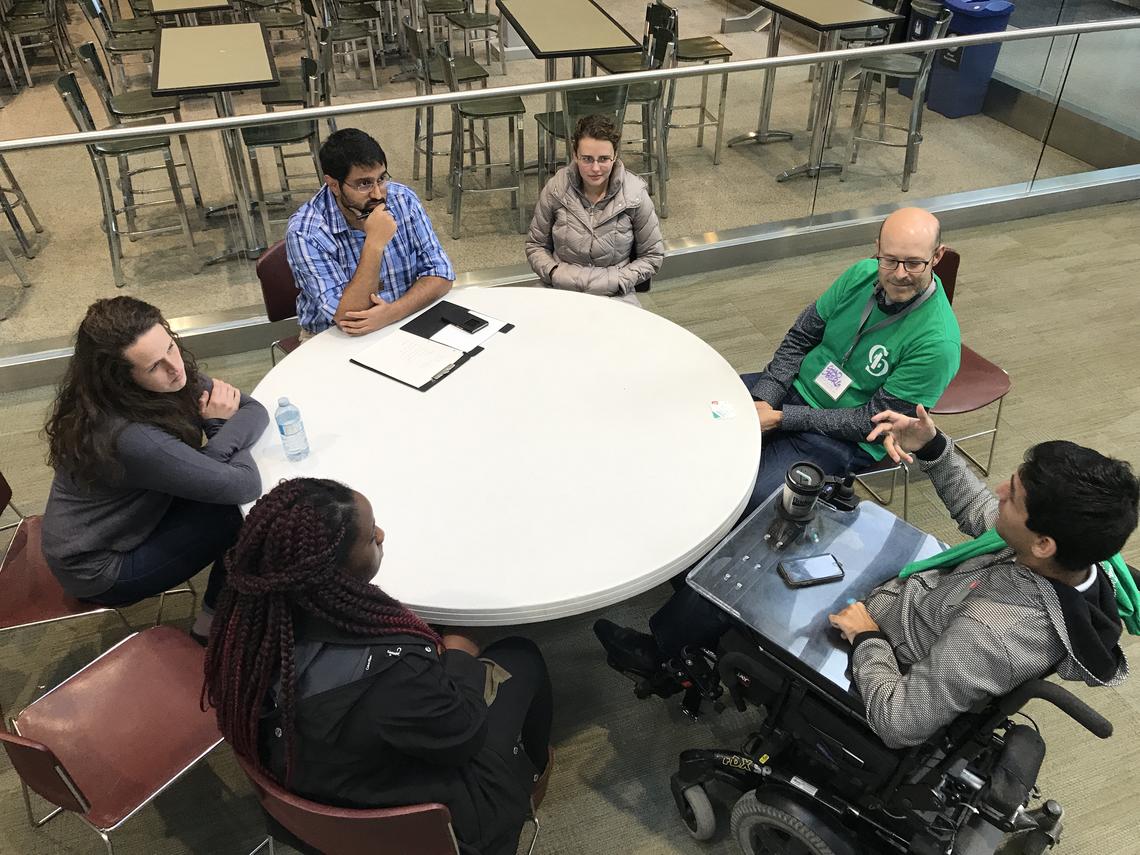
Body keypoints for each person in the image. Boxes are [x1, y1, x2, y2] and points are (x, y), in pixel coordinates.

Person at [598, 405, 1137, 750]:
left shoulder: (998, 634)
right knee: (800, 524)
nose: (998, 492)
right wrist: (933, 446)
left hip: (883, 643)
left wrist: (867, 638)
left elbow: (901, 720)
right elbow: (982, 515)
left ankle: (663, 653)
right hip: (915, 597)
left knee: (744, 577)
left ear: (1043, 543)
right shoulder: (1064, 561)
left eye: (1013, 497)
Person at [204, 478, 553, 855]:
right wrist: (459, 651)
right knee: (521, 655)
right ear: (334, 572)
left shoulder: (244, 639)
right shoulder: (394, 676)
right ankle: (533, 771)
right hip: (444, 828)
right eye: (371, 536)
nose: (382, 534)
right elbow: (463, 733)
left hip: (316, 807)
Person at [41, 297, 267, 642]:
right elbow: (244, 484)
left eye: (172, 348)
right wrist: (219, 426)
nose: (175, 368)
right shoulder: (130, 436)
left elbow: (253, 409)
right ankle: (210, 628)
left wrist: (215, 451)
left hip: (132, 517)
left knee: (226, 496)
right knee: (247, 516)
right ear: (122, 379)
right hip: (100, 565)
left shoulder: (161, 381)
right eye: (154, 366)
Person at [740, 207, 961, 514]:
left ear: (937, 257)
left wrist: (780, 418)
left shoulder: (937, 344)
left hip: (841, 437)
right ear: (877, 249)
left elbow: (868, 422)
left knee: (751, 499)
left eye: (914, 263)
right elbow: (801, 336)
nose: (899, 274)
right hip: (794, 389)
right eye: (890, 260)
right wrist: (766, 397)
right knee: (703, 419)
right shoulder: (861, 274)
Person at [285, 128, 455, 339]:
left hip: (402, 318)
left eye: (381, 179)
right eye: (364, 184)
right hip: (333, 336)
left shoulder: (403, 200)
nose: (377, 194)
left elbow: (442, 273)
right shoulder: (306, 232)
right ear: (334, 185)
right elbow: (348, 318)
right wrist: (374, 244)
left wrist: (392, 313)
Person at [525, 113, 664, 306]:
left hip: (615, 293)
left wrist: (619, 280)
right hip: (559, 287)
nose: (595, 168)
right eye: (587, 159)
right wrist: (553, 272)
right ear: (575, 155)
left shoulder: (635, 195)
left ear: (615, 156)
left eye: (604, 159)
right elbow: (535, 245)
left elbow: (652, 255)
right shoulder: (556, 189)